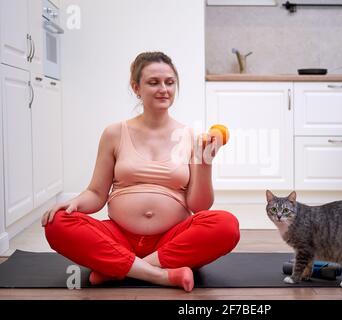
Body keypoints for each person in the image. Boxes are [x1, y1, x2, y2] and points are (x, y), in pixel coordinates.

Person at [42, 51, 240, 292]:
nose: (164, 89)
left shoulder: (189, 136)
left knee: (226, 225)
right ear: (136, 88)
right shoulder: (114, 133)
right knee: (57, 223)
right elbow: (96, 193)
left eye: (170, 82)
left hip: (171, 240)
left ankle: (122, 270)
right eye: (153, 82)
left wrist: (205, 161)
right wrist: (73, 203)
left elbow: (199, 206)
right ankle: (161, 276)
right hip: (118, 238)